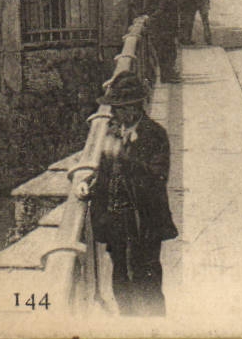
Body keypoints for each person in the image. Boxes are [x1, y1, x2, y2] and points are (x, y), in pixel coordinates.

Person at [77, 70, 179, 316]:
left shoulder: (154, 134)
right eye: (114, 108)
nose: (113, 114)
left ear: (135, 107)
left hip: (144, 222)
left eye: (119, 108)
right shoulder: (113, 131)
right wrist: (88, 183)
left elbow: (157, 177)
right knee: (121, 278)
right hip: (116, 221)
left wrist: (126, 155)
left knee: (147, 281)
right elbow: (105, 171)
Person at [131, 0, 179, 83]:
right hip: (163, 26)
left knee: (153, 51)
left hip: (148, 24)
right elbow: (162, 9)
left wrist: (142, 16)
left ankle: (157, 76)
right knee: (167, 51)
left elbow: (133, 4)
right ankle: (166, 75)